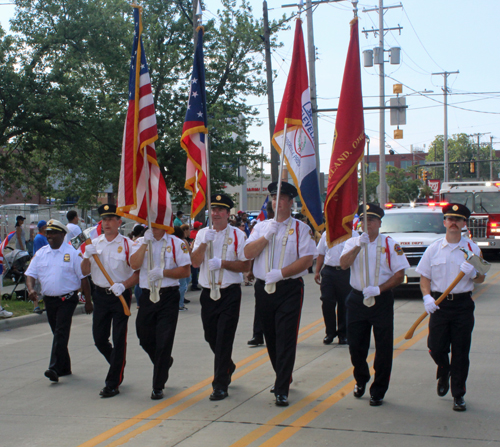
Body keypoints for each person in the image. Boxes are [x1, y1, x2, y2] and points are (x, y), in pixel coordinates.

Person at [244, 182, 317, 407]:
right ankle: (283, 373)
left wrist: (282, 273)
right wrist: (266, 237)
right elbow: (247, 252)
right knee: (271, 338)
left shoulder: (301, 229)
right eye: (274, 198)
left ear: (291, 202)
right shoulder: (260, 226)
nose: (277, 202)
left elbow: (307, 259)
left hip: (288, 289)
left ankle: (281, 386)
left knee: (286, 337)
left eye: (282, 198)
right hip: (264, 289)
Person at [415, 203, 485, 412]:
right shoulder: (434, 248)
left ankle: (458, 394)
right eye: (450, 219)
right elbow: (424, 277)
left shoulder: (473, 249)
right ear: (445, 222)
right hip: (439, 304)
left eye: (458, 219)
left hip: (463, 305)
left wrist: (473, 272)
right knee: (435, 347)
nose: (454, 223)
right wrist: (427, 298)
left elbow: (481, 278)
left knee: (461, 352)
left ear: (464, 224)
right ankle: (444, 370)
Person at [340, 203, 410, 407]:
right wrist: (357, 246)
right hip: (357, 299)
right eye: (363, 219)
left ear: (379, 222)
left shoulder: (389, 244)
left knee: (384, 347)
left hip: (381, 300)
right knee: (355, 346)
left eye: (371, 220)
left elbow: (399, 275)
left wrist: (379, 289)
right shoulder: (352, 242)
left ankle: (378, 390)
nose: (367, 223)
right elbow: (343, 264)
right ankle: (361, 379)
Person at [191, 193, 251, 401]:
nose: (215, 214)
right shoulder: (202, 234)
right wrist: (203, 244)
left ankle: (220, 385)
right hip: (208, 292)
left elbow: (245, 265)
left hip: (229, 292)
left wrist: (223, 263)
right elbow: (195, 262)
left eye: (220, 210)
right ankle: (228, 365)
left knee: (224, 338)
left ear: (227, 214)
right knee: (211, 336)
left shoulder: (238, 235)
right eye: (213, 210)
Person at [81, 204, 139, 398]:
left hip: (120, 296)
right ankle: (117, 362)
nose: (106, 223)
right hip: (100, 294)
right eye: (104, 220)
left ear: (119, 222)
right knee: (99, 338)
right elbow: (84, 271)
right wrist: (87, 256)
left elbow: (137, 273)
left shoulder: (129, 245)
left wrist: (124, 285)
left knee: (119, 339)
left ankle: (113, 382)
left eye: (110, 219)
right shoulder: (94, 243)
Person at [25, 219, 92, 382]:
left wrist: (88, 301)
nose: (50, 236)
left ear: (63, 234)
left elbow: (84, 279)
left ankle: (54, 368)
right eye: (48, 233)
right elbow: (30, 274)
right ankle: (65, 367)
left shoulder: (73, 253)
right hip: (50, 300)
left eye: (54, 233)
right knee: (57, 333)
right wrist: (31, 289)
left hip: (67, 299)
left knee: (61, 332)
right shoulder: (41, 254)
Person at [130, 226, 191, 400]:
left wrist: (163, 273)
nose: (153, 226)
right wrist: (145, 244)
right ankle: (164, 362)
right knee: (144, 336)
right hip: (147, 296)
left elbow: (185, 271)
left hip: (168, 296)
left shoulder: (177, 243)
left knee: (164, 341)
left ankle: (158, 385)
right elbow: (134, 264)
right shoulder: (140, 242)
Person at [315, 230, 357, 345]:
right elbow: (321, 253)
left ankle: (343, 334)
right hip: (329, 271)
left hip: (345, 272)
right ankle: (330, 333)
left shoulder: (353, 234)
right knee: (327, 301)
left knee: (344, 303)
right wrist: (317, 271)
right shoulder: (326, 234)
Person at [247, 200, 274, 347]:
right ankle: (257, 335)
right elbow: (253, 252)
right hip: (263, 277)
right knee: (260, 308)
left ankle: (275, 334)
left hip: (280, 278)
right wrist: (251, 270)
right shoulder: (260, 228)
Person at [32, 220, 49, 314]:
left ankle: (46, 306)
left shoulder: (44, 237)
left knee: (44, 286)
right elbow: (39, 252)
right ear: (43, 228)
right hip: (40, 264)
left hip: (45, 264)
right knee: (37, 286)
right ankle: (36, 306)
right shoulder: (39, 238)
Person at [189, 221, 203, 291]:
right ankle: (194, 284)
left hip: (190, 251)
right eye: (200, 226)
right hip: (195, 252)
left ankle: (194, 283)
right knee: (195, 270)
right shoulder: (199, 233)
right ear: (198, 227)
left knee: (193, 270)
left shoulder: (191, 232)